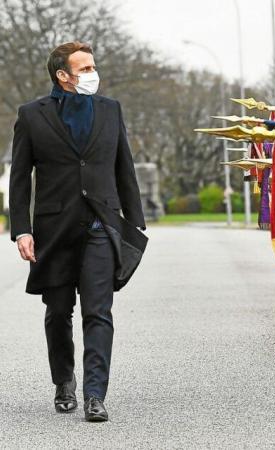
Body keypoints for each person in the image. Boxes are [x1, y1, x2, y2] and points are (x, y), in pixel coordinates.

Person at [9, 41, 146, 422]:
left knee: (98, 311)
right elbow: (20, 179)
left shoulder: (110, 110)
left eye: (92, 66)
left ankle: (95, 395)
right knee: (57, 312)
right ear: (63, 76)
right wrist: (21, 230)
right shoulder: (32, 115)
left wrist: (134, 221)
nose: (92, 73)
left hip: (101, 224)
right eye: (84, 69)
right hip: (53, 228)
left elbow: (124, 167)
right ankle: (64, 381)